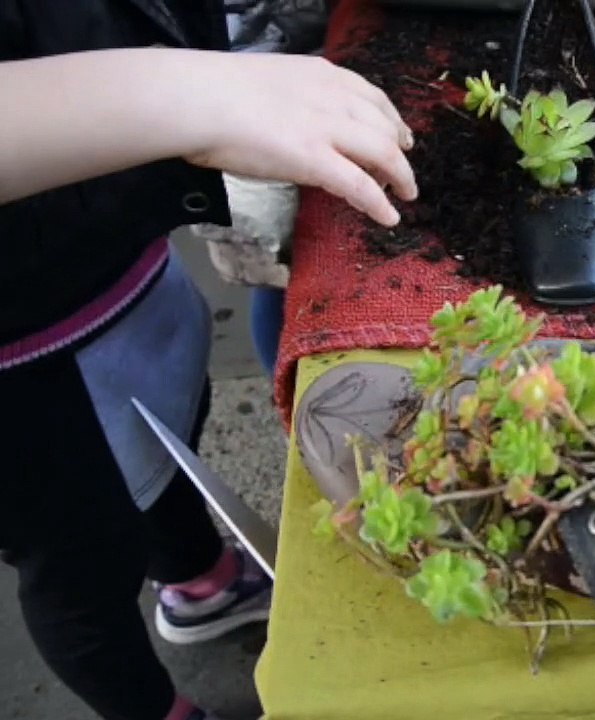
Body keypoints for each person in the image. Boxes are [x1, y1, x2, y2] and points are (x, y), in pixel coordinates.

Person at [0, 3, 417, 720]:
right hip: (23, 366)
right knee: (80, 570)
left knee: (166, 445)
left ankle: (200, 584)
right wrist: (184, 94)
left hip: (116, 261)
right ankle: (152, 709)